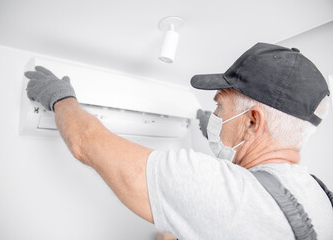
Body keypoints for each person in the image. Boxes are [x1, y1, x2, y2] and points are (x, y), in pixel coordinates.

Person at [24, 42, 333, 239]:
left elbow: (85, 142)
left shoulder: (225, 194)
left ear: (252, 122)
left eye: (218, 107)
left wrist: (60, 99)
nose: (214, 116)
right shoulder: (319, 195)